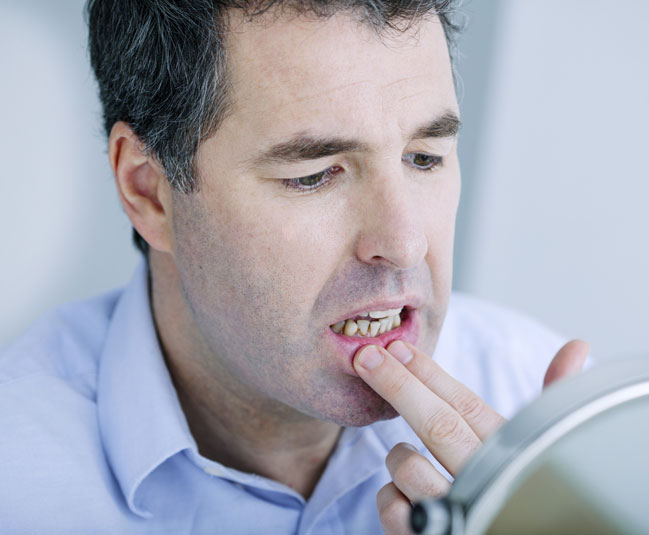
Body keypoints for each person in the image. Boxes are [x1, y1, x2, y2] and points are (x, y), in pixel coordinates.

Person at [0, 1, 589, 533]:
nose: (404, 244)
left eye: (425, 158)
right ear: (149, 191)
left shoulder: (550, 421)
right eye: (313, 174)